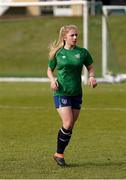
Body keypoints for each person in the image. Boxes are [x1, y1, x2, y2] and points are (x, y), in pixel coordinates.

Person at [47, 25, 97, 166]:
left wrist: (92, 77)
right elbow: (49, 70)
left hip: (76, 93)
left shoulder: (82, 52)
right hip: (61, 92)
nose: (75, 38)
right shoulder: (58, 53)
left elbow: (90, 67)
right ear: (64, 37)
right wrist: (52, 80)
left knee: (70, 126)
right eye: (72, 35)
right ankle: (59, 154)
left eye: (76, 35)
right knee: (68, 122)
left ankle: (59, 154)